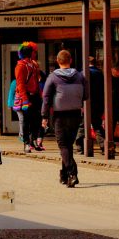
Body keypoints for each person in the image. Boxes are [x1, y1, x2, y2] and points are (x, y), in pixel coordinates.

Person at [42, 50, 86, 187]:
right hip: (75, 114)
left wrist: (44, 116)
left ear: (57, 60)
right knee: (68, 145)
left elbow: (46, 97)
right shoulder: (80, 76)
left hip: (59, 115)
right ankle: (64, 174)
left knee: (63, 145)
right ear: (71, 60)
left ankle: (72, 174)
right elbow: (86, 95)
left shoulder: (53, 77)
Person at [13, 42, 44, 152]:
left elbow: (36, 82)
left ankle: (34, 140)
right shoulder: (20, 66)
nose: (35, 53)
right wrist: (25, 100)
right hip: (26, 97)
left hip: (35, 96)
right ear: (30, 53)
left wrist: (40, 95)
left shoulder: (34, 65)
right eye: (34, 51)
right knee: (26, 121)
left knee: (37, 120)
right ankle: (26, 143)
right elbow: (20, 85)